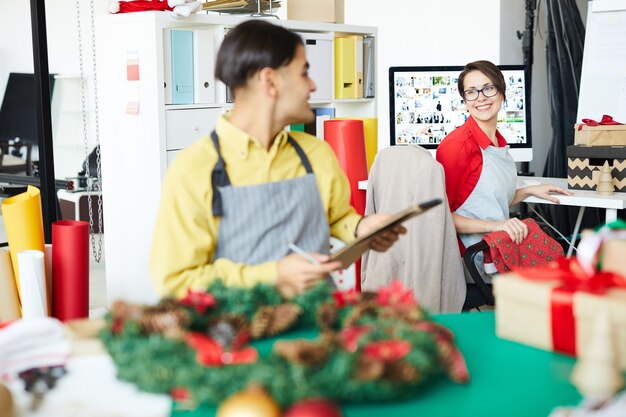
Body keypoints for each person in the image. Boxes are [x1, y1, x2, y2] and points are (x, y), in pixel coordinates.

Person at [150, 20, 404, 299]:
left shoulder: (315, 154)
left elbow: (338, 217)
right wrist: (272, 276)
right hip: (237, 333)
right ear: (270, 81)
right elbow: (176, 282)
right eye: (304, 73)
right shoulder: (194, 169)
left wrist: (361, 228)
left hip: (315, 323)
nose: (313, 85)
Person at [436, 60, 571, 279]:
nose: (480, 97)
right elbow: (440, 217)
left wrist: (529, 191)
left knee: (561, 270)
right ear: (464, 100)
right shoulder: (457, 146)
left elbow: (482, 202)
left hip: (498, 246)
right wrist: (499, 225)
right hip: (472, 258)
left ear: (502, 93)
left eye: (488, 88)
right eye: (471, 92)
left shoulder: (498, 142)